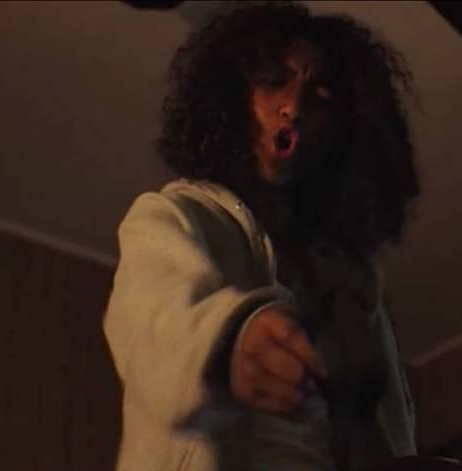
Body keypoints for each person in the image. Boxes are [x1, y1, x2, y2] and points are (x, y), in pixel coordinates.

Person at [103, 2, 420, 469]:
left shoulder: (356, 279)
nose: (294, 107)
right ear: (232, 98)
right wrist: (229, 342)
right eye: (274, 82)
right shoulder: (174, 215)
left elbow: (391, 428)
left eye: (321, 97)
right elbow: (150, 324)